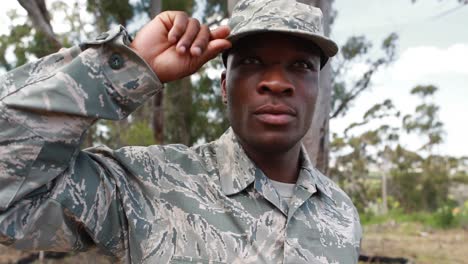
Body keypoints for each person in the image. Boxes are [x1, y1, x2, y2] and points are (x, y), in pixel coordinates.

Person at [0, 0, 362, 263]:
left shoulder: (341, 213)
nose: (277, 82)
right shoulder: (144, 185)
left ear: (318, 89)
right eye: (252, 62)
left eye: (300, 66)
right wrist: (122, 68)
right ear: (224, 87)